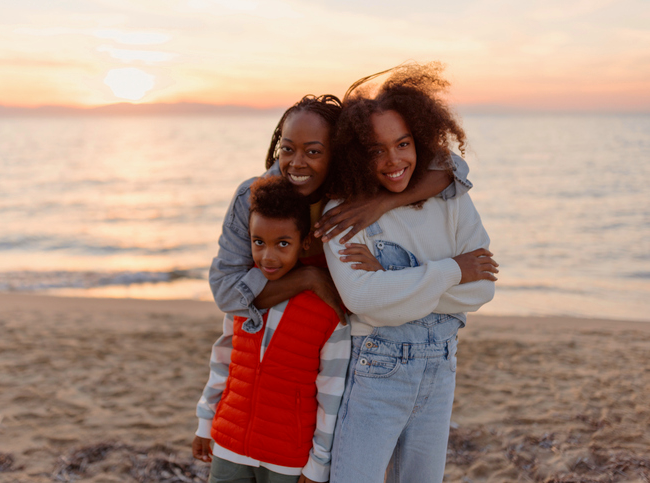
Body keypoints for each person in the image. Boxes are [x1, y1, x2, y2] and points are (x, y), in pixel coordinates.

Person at [322, 62, 498, 483]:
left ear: (419, 138)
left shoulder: (450, 199)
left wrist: (393, 277)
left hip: (441, 366)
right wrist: (456, 269)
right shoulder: (343, 214)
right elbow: (363, 299)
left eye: (403, 143)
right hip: (377, 370)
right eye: (376, 150)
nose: (393, 160)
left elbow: (483, 290)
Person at [208, 94, 473, 336]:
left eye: (313, 152)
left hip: (334, 338)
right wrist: (309, 278)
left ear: (337, 154)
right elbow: (225, 292)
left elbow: (454, 169)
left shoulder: (354, 188)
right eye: (287, 149)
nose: (296, 163)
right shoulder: (253, 198)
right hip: (264, 336)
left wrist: (382, 203)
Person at [193, 176, 351, 483]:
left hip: (287, 456)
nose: (268, 256)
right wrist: (204, 423)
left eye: (283, 244)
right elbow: (223, 362)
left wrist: (318, 462)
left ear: (304, 243)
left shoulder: (327, 310)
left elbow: (331, 392)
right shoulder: (245, 294)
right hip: (229, 443)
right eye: (258, 242)